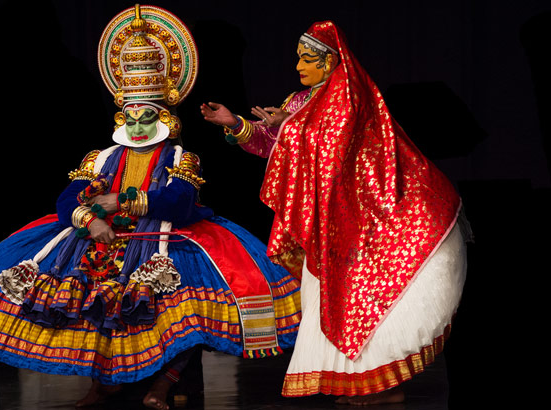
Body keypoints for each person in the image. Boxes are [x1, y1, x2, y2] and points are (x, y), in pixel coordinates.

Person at [0, 5, 301, 410]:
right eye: (130, 118)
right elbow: (68, 199)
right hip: (102, 238)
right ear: (122, 116)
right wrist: (88, 219)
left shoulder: (180, 157)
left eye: (146, 117)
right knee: (92, 302)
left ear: (163, 116)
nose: (137, 127)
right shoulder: (100, 157)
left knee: (188, 308)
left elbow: (181, 203)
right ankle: (105, 382)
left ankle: (163, 384)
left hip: (166, 237)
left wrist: (122, 199)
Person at [201, 20, 470, 406]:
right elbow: (281, 146)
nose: (299, 67)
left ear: (330, 62)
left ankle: (383, 386)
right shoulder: (300, 101)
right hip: (326, 220)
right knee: (325, 302)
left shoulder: (350, 95)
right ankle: (355, 383)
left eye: (308, 60)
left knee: (367, 300)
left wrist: (290, 126)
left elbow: (333, 144)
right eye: (298, 59)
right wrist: (239, 125)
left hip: (366, 219)